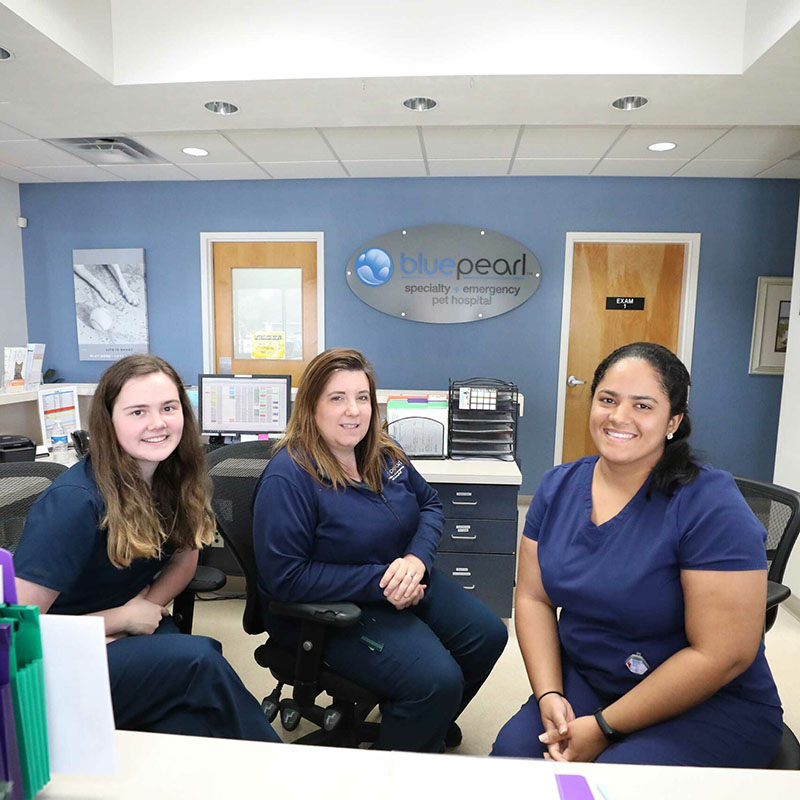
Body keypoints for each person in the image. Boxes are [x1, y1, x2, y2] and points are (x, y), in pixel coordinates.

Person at [491, 342, 783, 767]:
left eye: (642, 405)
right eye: (607, 399)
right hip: (592, 680)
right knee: (512, 759)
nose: (619, 417)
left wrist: (606, 727)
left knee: (615, 780)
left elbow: (723, 654)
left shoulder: (710, 504)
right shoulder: (556, 488)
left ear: (673, 421)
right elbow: (534, 598)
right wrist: (549, 693)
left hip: (706, 701)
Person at [14, 354, 280, 743]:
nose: (158, 423)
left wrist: (149, 608)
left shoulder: (174, 477)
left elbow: (185, 561)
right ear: (109, 422)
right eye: (138, 411)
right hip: (60, 659)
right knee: (200, 663)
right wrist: (119, 618)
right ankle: (283, 773)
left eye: (168, 408)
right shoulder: (75, 502)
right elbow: (18, 628)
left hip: (132, 632)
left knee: (196, 728)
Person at [253, 347, 507, 752]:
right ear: (311, 405)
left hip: (401, 576)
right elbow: (286, 578)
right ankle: (403, 748)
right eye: (337, 398)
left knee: (488, 634)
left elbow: (429, 505)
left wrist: (415, 561)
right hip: (330, 606)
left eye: (362, 397)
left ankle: (419, 720)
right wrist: (384, 581)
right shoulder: (290, 476)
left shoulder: (383, 451)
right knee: (435, 679)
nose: (353, 410)